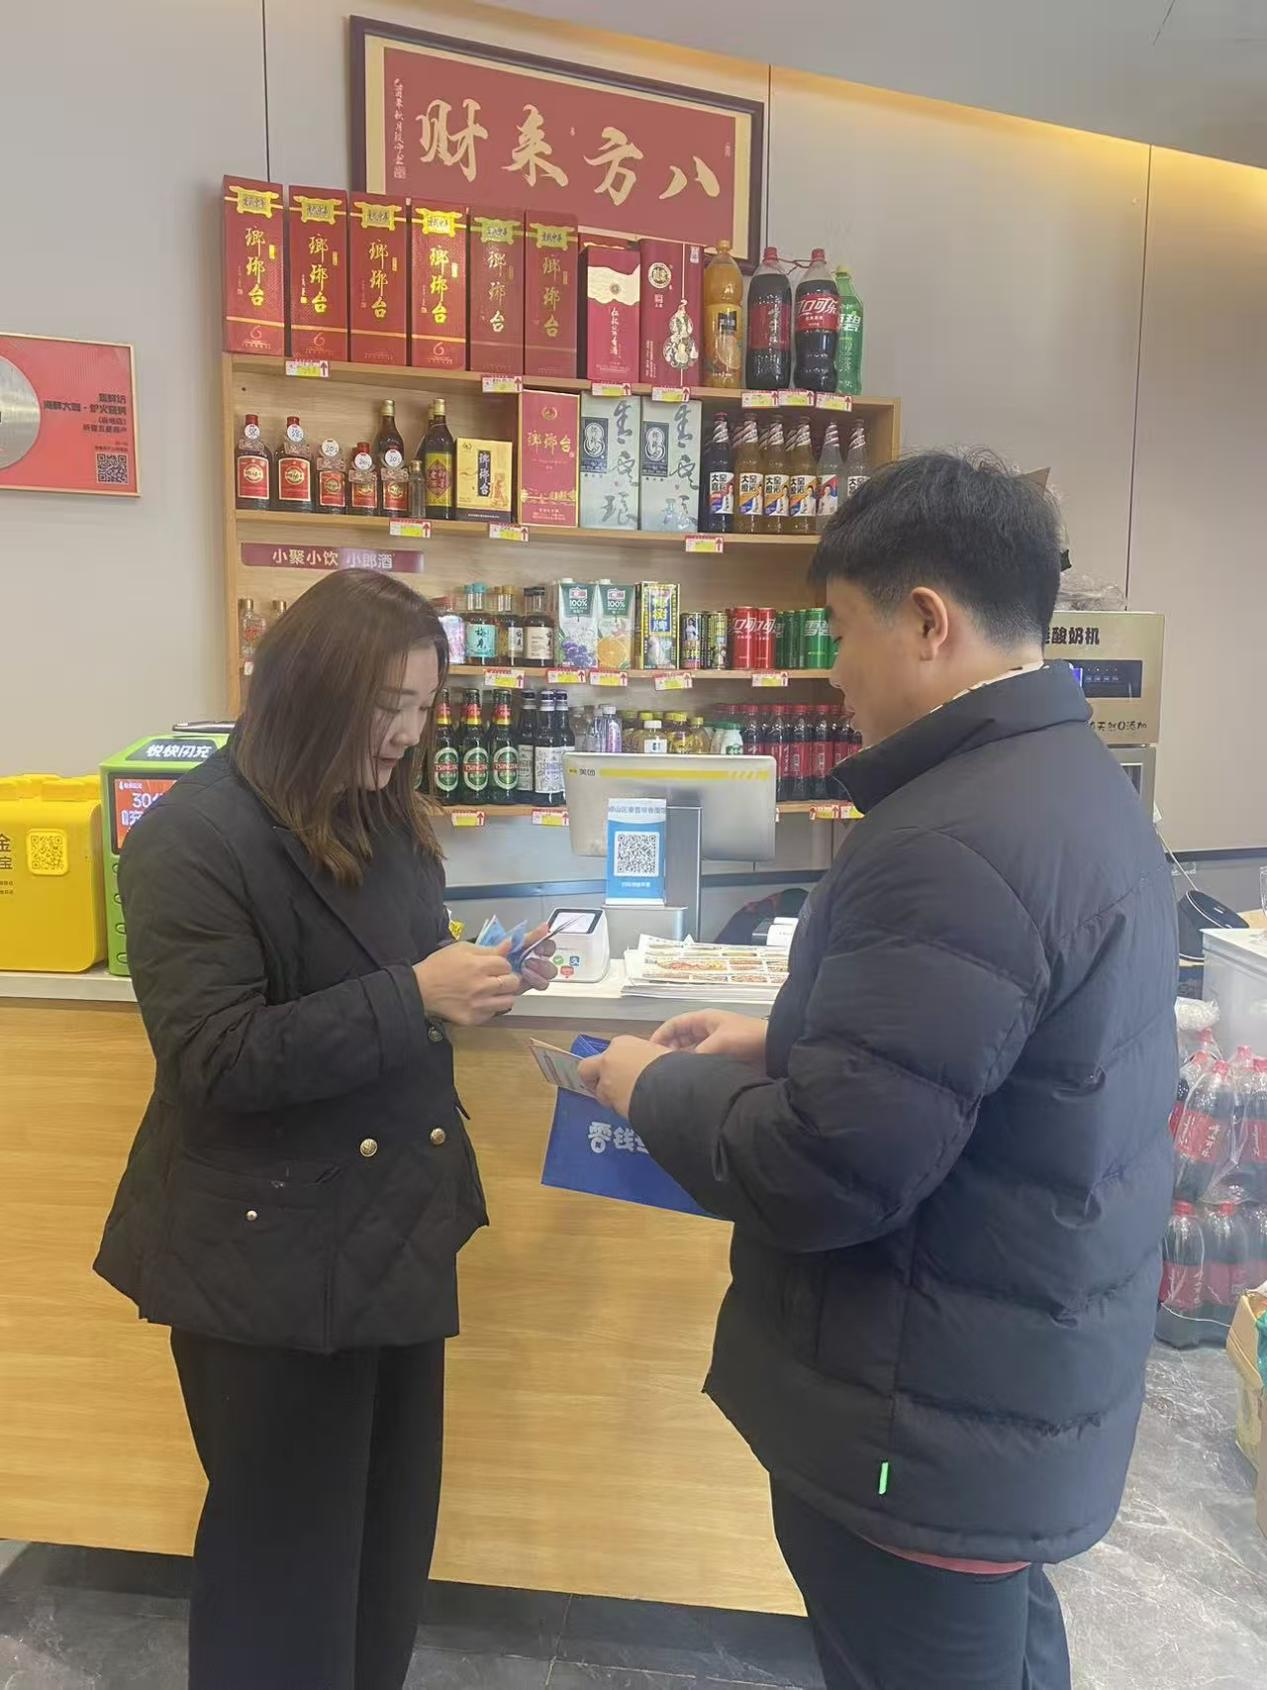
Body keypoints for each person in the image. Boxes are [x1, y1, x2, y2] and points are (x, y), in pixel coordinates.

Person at [581, 453, 1178, 1690]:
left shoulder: (953, 838)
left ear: (926, 621)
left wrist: (647, 1086)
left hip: (919, 1414)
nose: (833, 673)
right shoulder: (1068, 781)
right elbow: (998, 1060)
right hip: (997, 1393)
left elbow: (824, 1170)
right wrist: (783, 1037)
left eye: (843, 631)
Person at [94, 570, 552, 1690]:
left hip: (391, 1235)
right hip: (265, 1260)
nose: (405, 734)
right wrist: (417, 994)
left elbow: (398, 971)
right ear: (307, 693)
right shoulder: (190, 839)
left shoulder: (377, 815)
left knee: (383, 1548)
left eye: (422, 706)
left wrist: (477, 978)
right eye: (386, 705)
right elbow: (215, 1058)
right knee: (282, 1569)